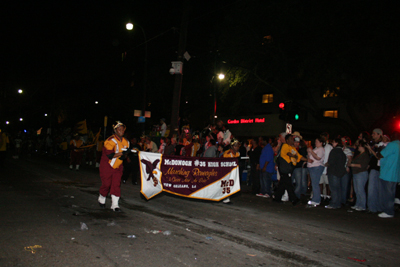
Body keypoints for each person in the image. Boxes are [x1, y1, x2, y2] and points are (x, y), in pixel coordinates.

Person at [98, 121, 130, 212]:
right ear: (115, 130)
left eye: (123, 129)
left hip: (118, 165)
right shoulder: (110, 140)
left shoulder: (126, 142)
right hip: (107, 165)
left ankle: (115, 205)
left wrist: (128, 154)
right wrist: (122, 153)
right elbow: (110, 155)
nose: (121, 131)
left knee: (116, 184)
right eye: (119, 129)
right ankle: (102, 196)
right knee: (106, 184)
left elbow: (124, 155)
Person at [274, 134, 306, 205]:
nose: (293, 140)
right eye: (291, 139)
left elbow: (299, 156)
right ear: (287, 140)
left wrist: (307, 160)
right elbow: (288, 153)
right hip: (284, 167)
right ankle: (293, 199)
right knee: (288, 184)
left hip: (288, 168)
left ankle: (277, 198)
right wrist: (294, 156)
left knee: (283, 183)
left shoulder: (292, 148)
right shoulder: (285, 146)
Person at [376, 131, 400, 218]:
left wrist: (380, 148)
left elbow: (380, 155)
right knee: (391, 193)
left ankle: (388, 211)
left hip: (388, 173)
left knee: (387, 194)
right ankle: (388, 210)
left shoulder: (392, 145)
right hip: (395, 174)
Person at [365, 128, 385, 213]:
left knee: (373, 189)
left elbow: (378, 156)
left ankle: (374, 208)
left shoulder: (382, 145)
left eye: (374, 133)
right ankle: (374, 207)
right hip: (374, 167)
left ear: (379, 134)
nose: (372, 135)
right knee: (374, 188)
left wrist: (370, 149)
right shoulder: (375, 144)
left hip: (378, 168)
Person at [325, 138, 347, 209]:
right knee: (338, 189)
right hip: (339, 172)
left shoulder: (334, 151)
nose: (332, 144)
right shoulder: (342, 153)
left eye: (333, 142)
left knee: (334, 189)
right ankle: (338, 203)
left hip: (333, 171)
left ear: (336, 143)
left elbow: (331, 161)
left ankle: (334, 203)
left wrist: (327, 164)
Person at [349, 141, 370, 211]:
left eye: (360, 146)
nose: (358, 147)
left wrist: (353, 165)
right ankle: (358, 204)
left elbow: (363, 165)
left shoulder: (365, 155)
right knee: (357, 190)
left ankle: (362, 205)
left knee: (360, 190)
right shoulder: (359, 154)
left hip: (361, 173)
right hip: (356, 173)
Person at [307, 137, 326, 207]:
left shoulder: (321, 149)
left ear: (321, 143)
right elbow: (310, 157)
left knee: (315, 184)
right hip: (312, 167)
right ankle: (315, 199)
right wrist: (309, 152)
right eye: (315, 141)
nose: (316, 143)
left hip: (316, 167)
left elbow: (318, 158)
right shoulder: (316, 149)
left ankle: (316, 200)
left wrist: (311, 151)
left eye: (317, 141)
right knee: (314, 183)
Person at [221, 139, 241, 204]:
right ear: (232, 146)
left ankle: (227, 197)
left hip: (234, 172)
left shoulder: (238, 153)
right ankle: (225, 198)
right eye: (235, 146)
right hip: (227, 172)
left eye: (238, 146)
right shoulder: (227, 153)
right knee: (226, 184)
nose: (237, 147)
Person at [320, 132, 332, 203]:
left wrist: (329, 163)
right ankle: (321, 196)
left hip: (327, 169)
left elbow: (332, 157)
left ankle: (328, 197)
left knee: (327, 184)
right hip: (320, 168)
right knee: (320, 183)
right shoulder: (320, 146)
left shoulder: (329, 147)